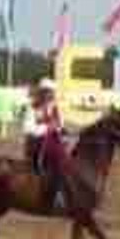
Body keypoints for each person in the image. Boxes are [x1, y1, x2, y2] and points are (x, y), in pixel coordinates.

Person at [22, 77, 68, 211]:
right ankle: (57, 196)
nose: (50, 95)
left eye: (51, 92)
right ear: (41, 92)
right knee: (59, 161)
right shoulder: (32, 108)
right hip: (37, 143)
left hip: (53, 142)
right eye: (47, 92)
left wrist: (59, 129)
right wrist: (47, 128)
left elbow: (60, 126)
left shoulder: (54, 107)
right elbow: (27, 128)